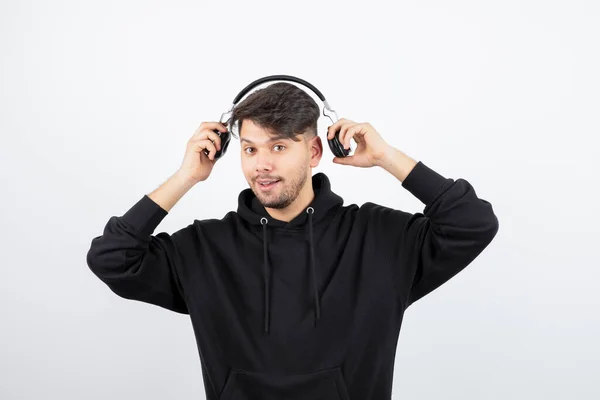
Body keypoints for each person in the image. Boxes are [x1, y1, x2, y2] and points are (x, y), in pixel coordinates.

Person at [86, 82, 499, 400]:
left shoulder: (380, 239)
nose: (262, 165)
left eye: (279, 147)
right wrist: (186, 177)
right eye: (250, 149)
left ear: (315, 151)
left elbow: (472, 223)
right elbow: (112, 258)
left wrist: (387, 156)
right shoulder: (204, 248)